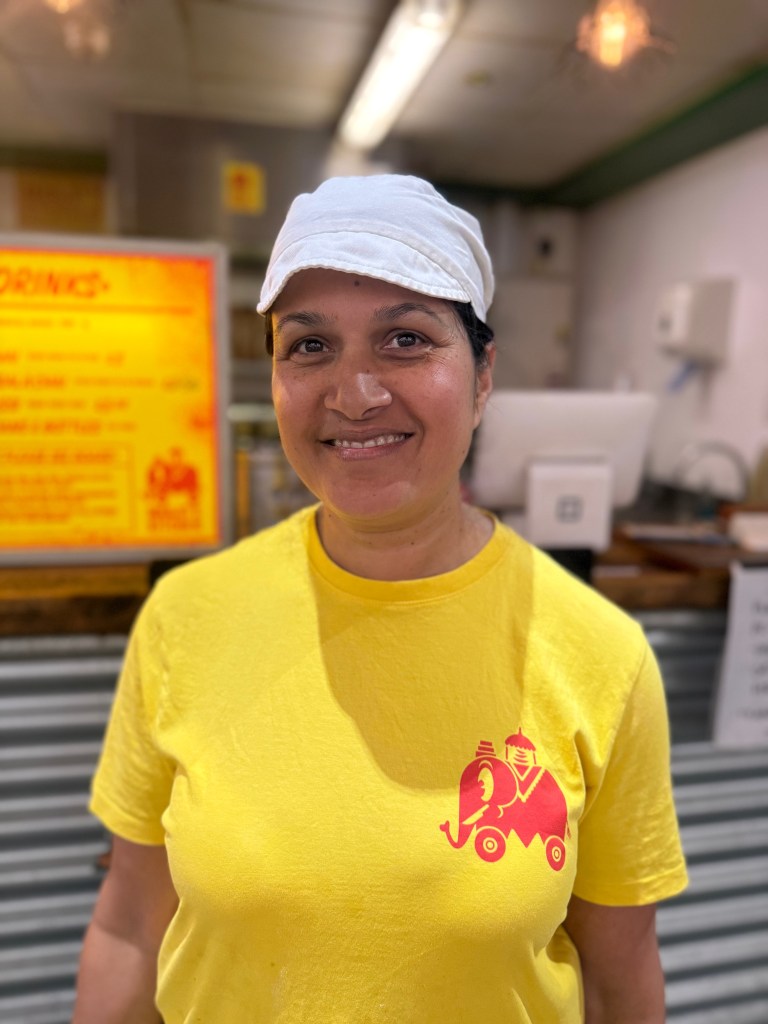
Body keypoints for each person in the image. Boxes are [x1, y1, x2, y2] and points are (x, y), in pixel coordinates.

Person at [73, 174, 688, 1024]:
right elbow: (131, 930)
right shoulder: (186, 618)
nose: (353, 394)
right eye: (309, 346)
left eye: (404, 339)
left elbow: (620, 977)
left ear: (481, 377)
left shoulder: (600, 655)